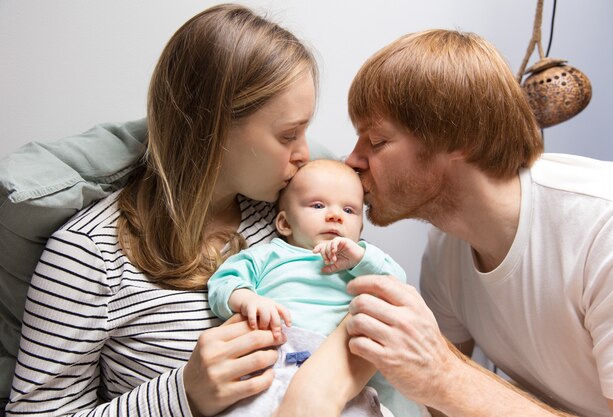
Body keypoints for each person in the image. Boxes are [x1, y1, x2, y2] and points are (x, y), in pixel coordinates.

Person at [5, 4, 358, 416]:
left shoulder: (293, 215)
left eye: (305, 130)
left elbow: (364, 319)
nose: (305, 154)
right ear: (212, 130)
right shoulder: (89, 256)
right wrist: (182, 395)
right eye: (288, 134)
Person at [338, 29, 613, 417]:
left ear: (460, 138)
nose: (351, 161)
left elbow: (444, 383)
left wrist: (445, 375)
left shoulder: (611, 231)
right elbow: (441, 408)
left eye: (375, 141)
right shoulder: (446, 250)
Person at [207, 159, 424, 417]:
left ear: (360, 229)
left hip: (339, 375)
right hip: (271, 364)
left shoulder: (359, 262)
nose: (335, 215)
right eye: (318, 205)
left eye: (349, 210)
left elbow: (396, 287)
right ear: (285, 224)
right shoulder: (267, 255)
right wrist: (246, 299)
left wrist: (360, 257)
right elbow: (222, 282)